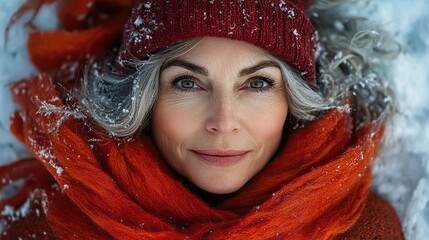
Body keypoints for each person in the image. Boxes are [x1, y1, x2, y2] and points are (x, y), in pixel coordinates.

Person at [0, 0, 403, 239]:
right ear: (145, 99)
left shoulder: (360, 229)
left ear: (294, 102)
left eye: (258, 83)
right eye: (188, 83)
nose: (223, 121)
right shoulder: (53, 226)